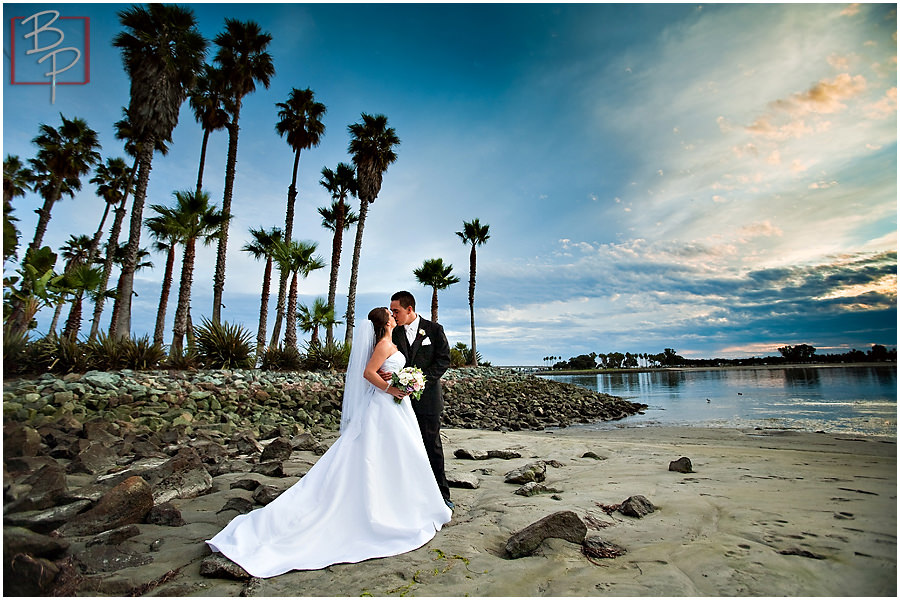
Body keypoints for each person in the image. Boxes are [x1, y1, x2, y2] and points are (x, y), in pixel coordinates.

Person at [205, 307, 452, 577]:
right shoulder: (383, 344)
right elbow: (368, 373)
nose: (394, 316)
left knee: (399, 456)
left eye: (394, 312)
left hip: (395, 408)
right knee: (381, 454)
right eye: (390, 314)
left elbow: (389, 370)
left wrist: (403, 382)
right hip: (383, 407)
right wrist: (392, 388)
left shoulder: (392, 341)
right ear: (385, 323)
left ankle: (404, 503)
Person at [385, 291, 453, 509]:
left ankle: (442, 496)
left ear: (410, 309)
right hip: (400, 401)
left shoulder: (434, 330)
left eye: (396, 311)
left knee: (432, 446)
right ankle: (410, 496)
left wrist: (420, 382)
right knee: (404, 447)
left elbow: (443, 361)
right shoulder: (393, 333)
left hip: (428, 400)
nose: (393, 315)